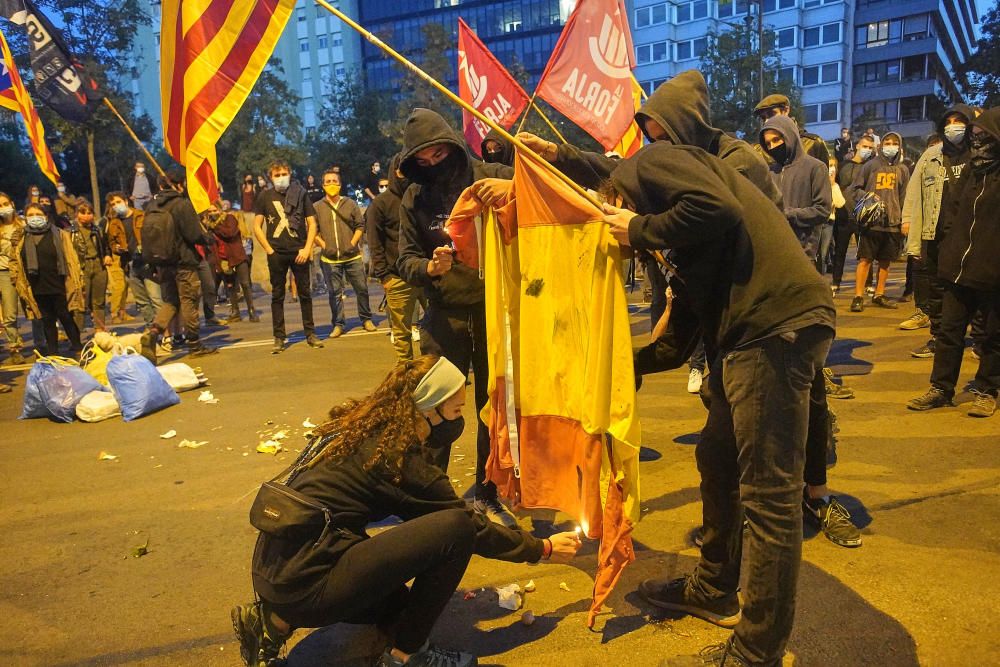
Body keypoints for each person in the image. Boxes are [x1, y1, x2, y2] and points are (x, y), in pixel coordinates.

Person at [540, 132, 833, 665]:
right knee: (716, 461)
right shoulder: (685, 238)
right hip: (748, 337)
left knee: (770, 499)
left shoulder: (653, 165)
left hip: (773, 330)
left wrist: (636, 226)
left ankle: (755, 652)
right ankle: (713, 587)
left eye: (610, 221)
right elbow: (676, 346)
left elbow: (711, 204)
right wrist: (615, 366)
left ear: (616, 200)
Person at [231, 355, 581, 667]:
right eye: (457, 410)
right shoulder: (399, 459)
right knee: (457, 528)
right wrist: (542, 549)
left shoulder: (361, 429)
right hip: (307, 583)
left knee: (399, 606)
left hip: (275, 571)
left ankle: (272, 621)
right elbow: (470, 527)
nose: (460, 420)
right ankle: (407, 656)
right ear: (429, 409)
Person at [396, 108, 517, 527]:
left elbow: (537, 194)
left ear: (453, 146)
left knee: (491, 407)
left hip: (493, 312)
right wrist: (429, 269)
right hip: (443, 317)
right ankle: (432, 497)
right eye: (422, 161)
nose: (432, 165)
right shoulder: (415, 197)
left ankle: (488, 492)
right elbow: (404, 258)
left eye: (438, 155)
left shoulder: (491, 175)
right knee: (434, 406)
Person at [908, 107, 1000, 418]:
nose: (976, 143)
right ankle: (941, 389)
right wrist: (947, 252)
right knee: (948, 332)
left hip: (991, 272)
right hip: (957, 267)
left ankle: (987, 390)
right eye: (975, 137)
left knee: (991, 336)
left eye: (983, 137)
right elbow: (954, 213)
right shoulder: (972, 173)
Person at [902, 106, 976, 358]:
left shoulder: (979, 153)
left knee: (973, 286)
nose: (953, 126)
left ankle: (979, 338)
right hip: (936, 232)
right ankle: (938, 337)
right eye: (949, 122)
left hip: (970, 235)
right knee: (936, 288)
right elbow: (914, 191)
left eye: (959, 122)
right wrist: (908, 222)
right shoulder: (931, 155)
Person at [139, 171, 217, 362]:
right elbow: (192, 235)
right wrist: (208, 238)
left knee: (171, 302)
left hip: (163, 263)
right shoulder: (182, 205)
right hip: (184, 262)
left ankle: (154, 331)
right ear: (180, 184)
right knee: (189, 301)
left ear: (160, 186)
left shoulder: (152, 206)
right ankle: (194, 344)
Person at [253, 160, 322, 353]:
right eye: (277, 175)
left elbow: (312, 224)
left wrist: (307, 248)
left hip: (299, 251)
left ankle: (310, 333)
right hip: (276, 253)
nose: (281, 178)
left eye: (284, 174)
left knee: (305, 294)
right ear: (270, 177)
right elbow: (257, 226)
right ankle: (279, 336)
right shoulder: (264, 196)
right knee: (277, 295)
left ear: (290, 174)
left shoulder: (300, 194)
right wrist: (269, 250)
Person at [368, 154, 424, 363]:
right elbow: (374, 242)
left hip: (426, 273)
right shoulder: (380, 204)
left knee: (436, 328)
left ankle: (436, 373)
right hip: (397, 277)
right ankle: (406, 375)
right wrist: (385, 277)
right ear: (394, 171)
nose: (405, 176)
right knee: (402, 335)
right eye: (401, 171)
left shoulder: (421, 195)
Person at [847, 132, 910, 311]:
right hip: (871, 222)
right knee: (865, 259)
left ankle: (879, 294)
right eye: (887, 142)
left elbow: (904, 196)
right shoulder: (870, 166)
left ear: (900, 146)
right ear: (881, 145)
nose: (891, 146)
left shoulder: (903, 170)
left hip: (892, 223)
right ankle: (858, 296)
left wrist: (904, 220)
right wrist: (867, 197)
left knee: (885, 261)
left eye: (894, 143)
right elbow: (854, 189)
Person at [759, 113, 832, 262]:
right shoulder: (770, 171)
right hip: (774, 253)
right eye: (768, 144)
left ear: (789, 136)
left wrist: (789, 214)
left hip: (803, 254)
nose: (772, 147)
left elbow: (823, 210)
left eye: (776, 140)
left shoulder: (816, 167)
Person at [314, 168, 377, 337]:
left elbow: (360, 225)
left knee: (362, 289)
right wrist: (324, 245)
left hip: (352, 256)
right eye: (328, 182)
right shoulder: (317, 207)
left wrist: (352, 243)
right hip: (330, 259)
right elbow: (313, 231)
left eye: (335, 181)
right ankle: (338, 324)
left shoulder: (350, 203)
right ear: (323, 185)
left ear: (340, 185)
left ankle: (366, 319)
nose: (331, 184)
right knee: (335, 294)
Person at [16, 203, 83, 356]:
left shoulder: (59, 234)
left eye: (38, 214)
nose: (34, 218)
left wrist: (76, 281)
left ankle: (77, 346)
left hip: (59, 283)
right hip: (37, 285)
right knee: (47, 319)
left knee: (65, 315)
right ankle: (53, 353)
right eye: (30, 215)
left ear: (46, 216)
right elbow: (18, 262)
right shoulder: (23, 238)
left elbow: (71, 259)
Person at [105, 191, 162, 328]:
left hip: (147, 261)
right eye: (113, 204)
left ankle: (163, 329)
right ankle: (151, 328)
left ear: (126, 201)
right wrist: (116, 248)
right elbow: (111, 243)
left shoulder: (141, 216)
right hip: (129, 264)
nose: (116, 206)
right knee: (141, 301)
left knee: (155, 298)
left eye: (118, 202)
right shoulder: (114, 223)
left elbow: (153, 235)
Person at [830, 134, 876, 296]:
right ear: (857, 146)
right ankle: (836, 283)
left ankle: (869, 284)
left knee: (865, 253)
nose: (867, 150)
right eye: (865, 146)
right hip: (843, 215)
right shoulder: (843, 165)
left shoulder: (871, 167)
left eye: (870, 148)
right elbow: (835, 185)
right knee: (839, 252)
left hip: (862, 216)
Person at [206, 204, 257, 322]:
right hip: (223, 259)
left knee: (245, 283)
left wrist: (215, 227)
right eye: (210, 212)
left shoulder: (229, 219)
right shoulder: (209, 227)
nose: (212, 213)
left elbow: (230, 233)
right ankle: (235, 311)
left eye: (214, 210)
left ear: (219, 210)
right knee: (230, 286)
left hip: (237, 255)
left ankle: (251, 310)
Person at [753, 94, 831, 165]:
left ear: (786, 111)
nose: (767, 121)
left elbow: (823, 177)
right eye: (763, 118)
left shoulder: (812, 143)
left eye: (771, 114)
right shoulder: (759, 151)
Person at [70, 201, 111, 332]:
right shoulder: (70, 231)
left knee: (99, 301)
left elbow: (105, 245)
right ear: (77, 214)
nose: (87, 216)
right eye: (83, 213)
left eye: (90, 213)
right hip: (81, 267)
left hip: (98, 265)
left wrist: (107, 255)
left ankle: (100, 330)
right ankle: (76, 333)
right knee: (81, 302)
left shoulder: (97, 229)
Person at [0, 192, 27, 365]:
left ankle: (42, 343)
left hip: (24, 272)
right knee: (9, 314)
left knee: (33, 309)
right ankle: (14, 347)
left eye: (5, 204)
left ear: (12, 204)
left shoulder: (24, 224)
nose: (3, 208)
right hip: (3, 272)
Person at [821, 158, 846, 276]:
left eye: (833, 165)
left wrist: (833, 185)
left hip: (828, 222)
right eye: (829, 165)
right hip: (815, 221)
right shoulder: (816, 181)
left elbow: (840, 203)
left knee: (823, 253)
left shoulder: (835, 185)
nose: (831, 168)